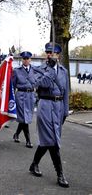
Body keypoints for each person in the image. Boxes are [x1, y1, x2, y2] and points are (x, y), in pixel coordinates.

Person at [29, 42, 69, 188]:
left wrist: (65, 111)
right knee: (53, 141)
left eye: (52, 53)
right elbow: (42, 84)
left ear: (58, 55)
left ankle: (34, 164)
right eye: (47, 52)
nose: (49, 55)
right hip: (45, 105)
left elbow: (66, 92)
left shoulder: (64, 71)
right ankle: (60, 174)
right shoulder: (39, 69)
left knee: (47, 140)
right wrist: (50, 69)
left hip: (58, 107)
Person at [12, 51, 36, 148]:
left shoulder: (35, 70)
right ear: (21, 60)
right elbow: (13, 86)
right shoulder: (16, 71)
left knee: (25, 118)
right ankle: (28, 140)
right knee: (24, 118)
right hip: (21, 96)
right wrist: (12, 99)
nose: (26, 60)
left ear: (30, 59)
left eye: (27, 58)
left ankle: (16, 134)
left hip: (31, 96)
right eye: (24, 59)